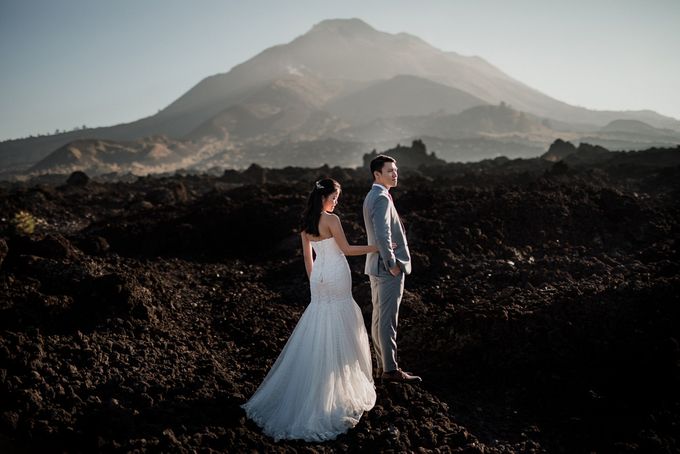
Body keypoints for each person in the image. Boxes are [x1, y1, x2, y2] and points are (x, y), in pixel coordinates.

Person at [241, 178, 377, 442]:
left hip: (319, 279)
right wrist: (377, 248)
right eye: (335, 196)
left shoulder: (306, 222)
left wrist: (316, 281)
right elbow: (347, 250)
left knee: (319, 323)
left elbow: (307, 257)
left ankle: (314, 385)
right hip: (336, 274)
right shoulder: (332, 219)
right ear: (326, 196)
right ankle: (333, 387)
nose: (337, 201)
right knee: (340, 320)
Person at [363, 155, 421, 383]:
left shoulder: (372, 195)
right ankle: (390, 370)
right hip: (386, 269)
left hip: (375, 266)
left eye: (396, 170)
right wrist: (392, 264)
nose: (395, 174)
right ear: (377, 174)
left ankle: (382, 367)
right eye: (390, 171)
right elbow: (382, 233)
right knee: (387, 320)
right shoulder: (381, 198)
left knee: (379, 319)